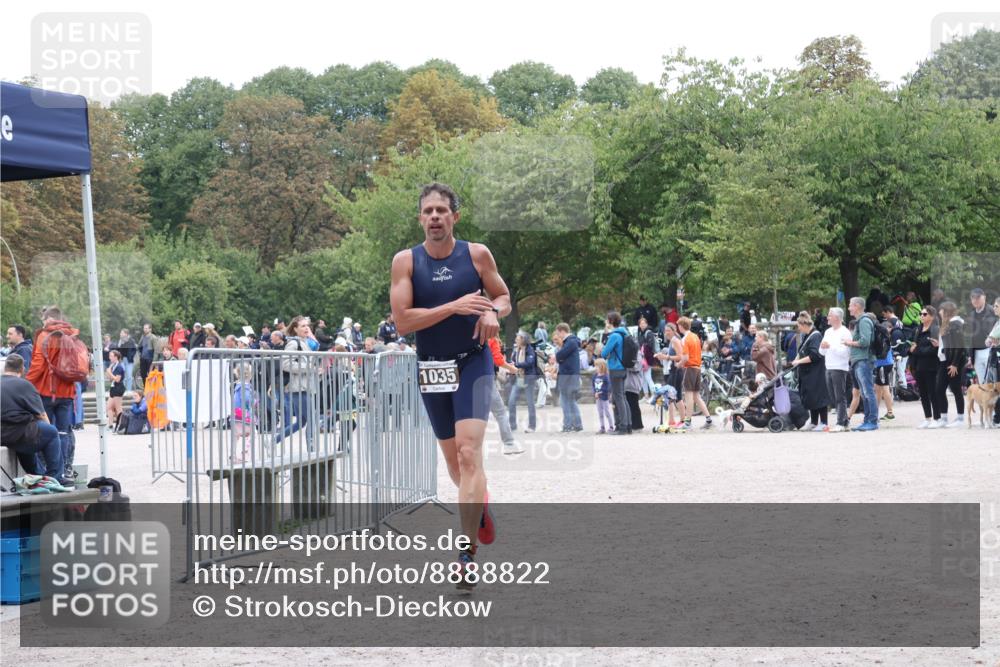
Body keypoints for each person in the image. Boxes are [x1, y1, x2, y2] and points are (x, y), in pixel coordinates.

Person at [389, 182, 510, 590]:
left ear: (455, 217)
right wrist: (455, 306)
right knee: (457, 467)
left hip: (472, 362)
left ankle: (466, 555)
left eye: (443, 210)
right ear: (420, 218)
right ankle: (480, 506)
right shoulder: (405, 262)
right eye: (429, 211)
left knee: (468, 452)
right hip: (432, 368)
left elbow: (504, 296)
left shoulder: (476, 255)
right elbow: (403, 322)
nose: (435, 217)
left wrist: (493, 311)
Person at [25, 306, 79, 479]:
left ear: (48, 319)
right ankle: (66, 468)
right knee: (64, 431)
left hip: (47, 390)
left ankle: (50, 470)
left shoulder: (45, 335)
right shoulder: (72, 335)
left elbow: (38, 364)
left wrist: (25, 384)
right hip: (68, 392)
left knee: (45, 430)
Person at [1, 354, 70, 484]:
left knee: (29, 437)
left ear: (6, 367)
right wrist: (50, 429)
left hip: (3, 434)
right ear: (22, 369)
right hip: (19, 431)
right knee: (50, 432)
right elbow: (41, 415)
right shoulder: (24, 385)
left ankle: (37, 475)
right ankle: (55, 477)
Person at [275, 316, 317, 449]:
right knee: (311, 419)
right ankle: (311, 450)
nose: (307, 328)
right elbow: (285, 364)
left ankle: (273, 441)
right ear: (295, 329)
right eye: (303, 326)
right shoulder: (294, 344)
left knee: (301, 422)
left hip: (304, 386)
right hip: (298, 387)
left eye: (307, 326)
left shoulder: (304, 342)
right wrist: (308, 368)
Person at [843, 297, 878, 431]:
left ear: (857, 306)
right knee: (864, 393)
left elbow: (865, 342)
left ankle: (872, 421)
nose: (849, 308)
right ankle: (867, 420)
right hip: (860, 360)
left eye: (850, 305)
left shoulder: (864, 321)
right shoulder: (860, 321)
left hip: (864, 360)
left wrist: (849, 343)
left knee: (868, 392)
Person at [789, 313, 829, 431]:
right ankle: (813, 421)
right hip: (807, 372)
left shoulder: (815, 336)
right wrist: (796, 360)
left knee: (818, 396)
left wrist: (799, 361)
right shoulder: (806, 335)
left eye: (799, 326)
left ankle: (824, 422)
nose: (798, 328)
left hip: (815, 372)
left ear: (804, 324)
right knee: (811, 397)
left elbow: (815, 355)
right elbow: (801, 351)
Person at [486, 332, 523, 455]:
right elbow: (498, 360)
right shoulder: (492, 339)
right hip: (485, 379)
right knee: (500, 412)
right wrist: (512, 369)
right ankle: (509, 443)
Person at [819, 307, 853, 432]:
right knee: (833, 397)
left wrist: (830, 346)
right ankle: (845, 421)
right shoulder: (828, 332)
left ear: (837, 318)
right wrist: (823, 347)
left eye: (829, 315)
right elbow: (821, 351)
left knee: (840, 396)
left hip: (840, 367)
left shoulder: (845, 332)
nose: (827, 318)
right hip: (829, 366)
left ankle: (840, 422)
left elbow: (845, 353)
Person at [934, 301, 967, 428]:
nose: (939, 312)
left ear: (947, 311)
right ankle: (944, 418)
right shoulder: (947, 324)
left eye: (941, 310)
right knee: (940, 389)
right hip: (944, 360)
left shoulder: (956, 323)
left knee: (956, 389)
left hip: (954, 362)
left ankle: (960, 418)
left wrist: (955, 364)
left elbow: (959, 346)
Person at [676, 316, 712, 430]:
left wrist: (679, 364)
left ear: (681, 326)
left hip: (690, 368)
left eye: (678, 326)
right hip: (697, 367)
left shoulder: (685, 339)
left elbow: (685, 357)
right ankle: (709, 419)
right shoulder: (695, 336)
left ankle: (688, 423)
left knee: (688, 396)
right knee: (697, 396)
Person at [908, 305, 941, 428]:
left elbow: (933, 350)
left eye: (925, 314)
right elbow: (911, 345)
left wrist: (916, 350)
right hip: (918, 365)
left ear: (932, 316)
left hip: (931, 365)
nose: (921, 316)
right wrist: (910, 350)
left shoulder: (935, 329)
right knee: (922, 393)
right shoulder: (917, 329)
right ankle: (927, 418)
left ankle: (937, 418)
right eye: (921, 314)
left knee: (932, 392)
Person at [600, 311, 632, 435]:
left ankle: (622, 426)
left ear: (611, 321)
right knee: (622, 396)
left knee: (617, 397)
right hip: (624, 368)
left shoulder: (614, 336)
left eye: (607, 320)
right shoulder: (624, 333)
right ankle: (628, 424)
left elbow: (603, 353)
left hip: (615, 368)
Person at [553, 323, 583, 433]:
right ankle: (575, 424)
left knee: (566, 401)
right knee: (569, 400)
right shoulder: (571, 341)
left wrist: (558, 357)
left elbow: (560, 356)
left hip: (568, 375)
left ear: (562, 331)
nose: (558, 336)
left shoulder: (570, 342)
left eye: (558, 333)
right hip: (569, 374)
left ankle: (569, 425)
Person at [507, 332, 539, 433]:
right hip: (519, 378)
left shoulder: (529, 349)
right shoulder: (517, 349)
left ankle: (532, 426)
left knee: (530, 403)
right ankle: (512, 426)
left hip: (529, 378)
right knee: (511, 401)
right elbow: (513, 361)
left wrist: (516, 364)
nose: (516, 339)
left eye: (518, 337)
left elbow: (530, 363)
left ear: (523, 339)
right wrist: (511, 364)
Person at [969, 288, 998, 385]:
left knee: (994, 382)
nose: (975, 300)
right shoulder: (971, 314)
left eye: (978, 297)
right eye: (973, 298)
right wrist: (970, 355)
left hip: (990, 350)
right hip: (976, 353)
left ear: (984, 297)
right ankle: (986, 400)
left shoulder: (993, 311)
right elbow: (971, 337)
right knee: (983, 383)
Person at [873, 320, 896, 421]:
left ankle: (890, 413)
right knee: (878, 389)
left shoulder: (881, 337)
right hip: (884, 364)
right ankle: (875, 412)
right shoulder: (886, 337)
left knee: (885, 388)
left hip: (883, 364)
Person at [105, 349, 126, 430]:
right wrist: (109, 373)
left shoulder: (120, 366)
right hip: (113, 388)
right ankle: (110, 425)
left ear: (116, 357)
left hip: (118, 388)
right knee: (109, 407)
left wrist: (109, 372)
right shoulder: (113, 366)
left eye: (111, 356)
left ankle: (121, 424)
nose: (109, 357)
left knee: (118, 408)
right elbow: (111, 378)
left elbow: (117, 379)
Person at [637, 317, 657, 398]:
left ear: (646, 324)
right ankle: (646, 396)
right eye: (641, 323)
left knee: (648, 377)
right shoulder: (640, 333)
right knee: (643, 378)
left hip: (647, 359)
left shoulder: (649, 333)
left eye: (643, 323)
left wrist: (644, 354)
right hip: (642, 359)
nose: (642, 325)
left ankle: (654, 395)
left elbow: (650, 346)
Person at [592, 357, 613, 434]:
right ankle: (602, 427)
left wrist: (600, 392)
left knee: (607, 412)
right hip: (597, 397)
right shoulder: (595, 376)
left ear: (602, 366)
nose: (595, 368)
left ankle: (611, 426)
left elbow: (608, 387)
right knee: (600, 413)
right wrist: (595, 392)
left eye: (597, 366)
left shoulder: (606, 376)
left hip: (604, 397)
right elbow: (593, 385)